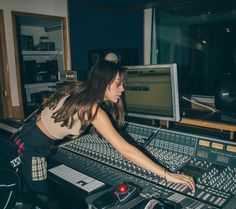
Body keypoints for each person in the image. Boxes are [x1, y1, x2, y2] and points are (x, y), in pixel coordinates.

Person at [12, 60, 195, 198]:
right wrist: (166, 174)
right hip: (32, 150)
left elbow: (43, 115)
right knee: (42, 200)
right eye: (117, 83)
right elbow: (125, 149)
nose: (122, 89)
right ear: (102, 82)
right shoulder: (94, 111)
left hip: (24, 133)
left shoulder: (77, 89)